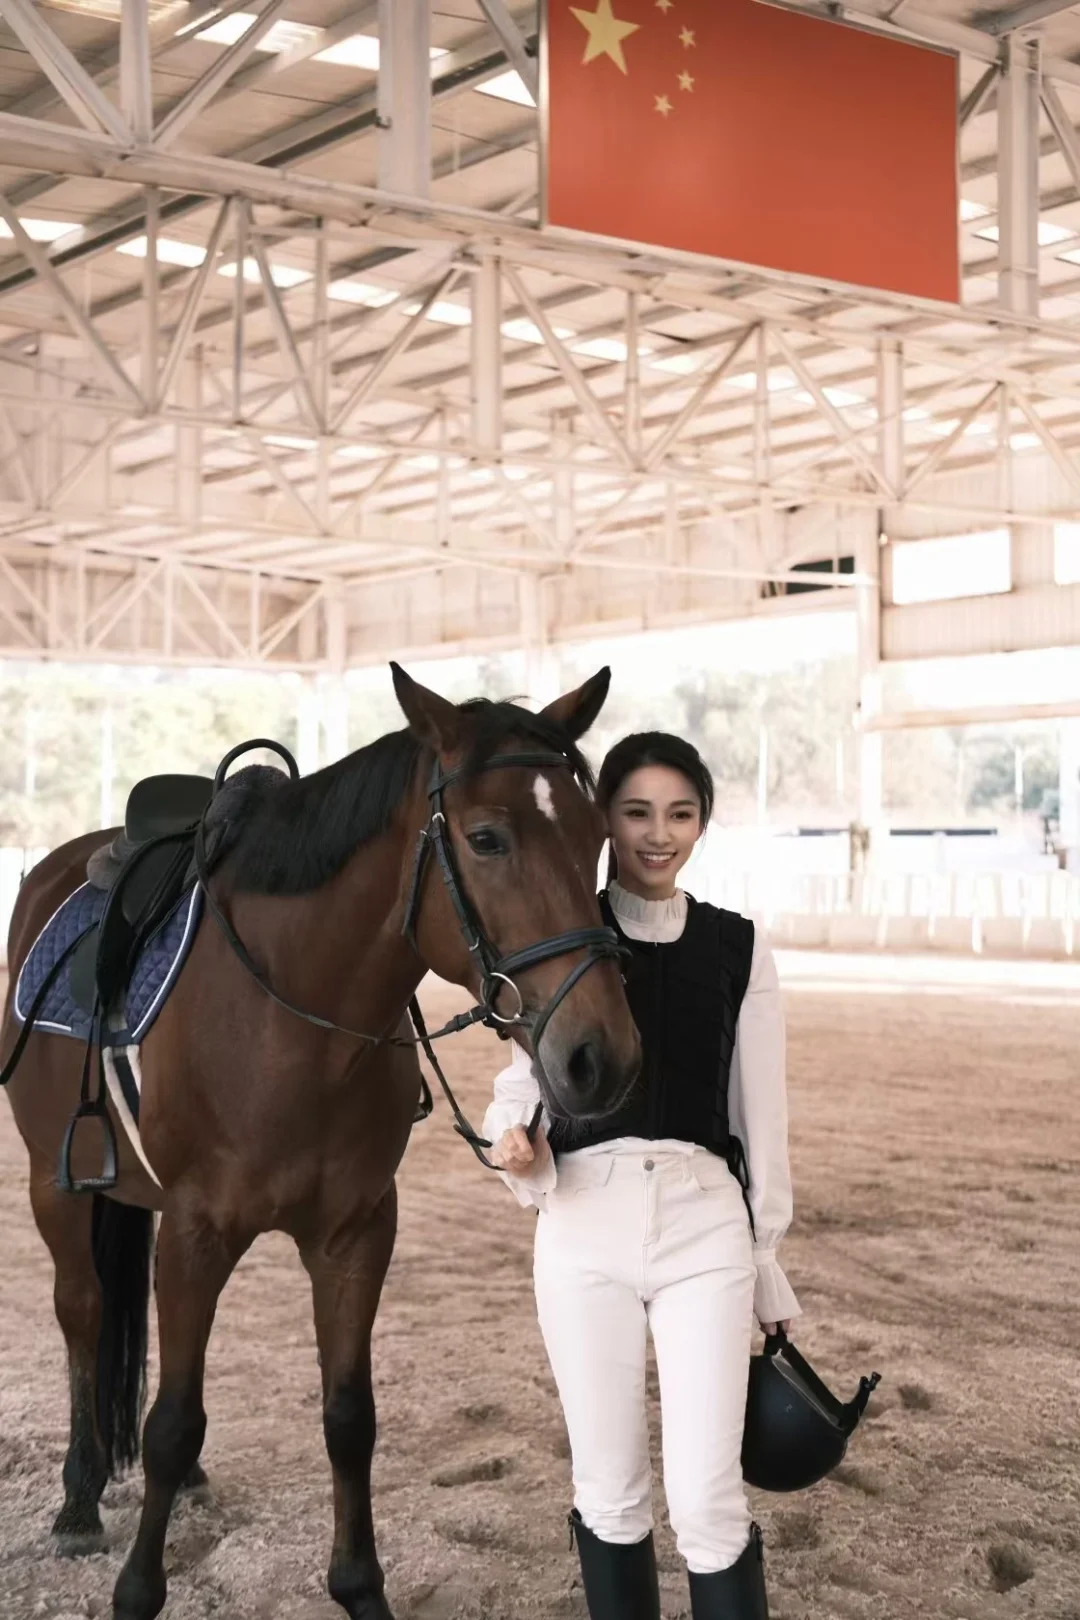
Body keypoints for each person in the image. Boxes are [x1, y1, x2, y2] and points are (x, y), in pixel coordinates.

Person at [482, 731, 800, 1620]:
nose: (659, 834)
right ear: (604, 822)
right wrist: (516, 1144)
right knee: (611, 1495)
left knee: (708, 1501)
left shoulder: (739, 948)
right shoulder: (562, 932)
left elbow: (759, 1117)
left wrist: (765, 1256)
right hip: (583, 1222)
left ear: (701, 822)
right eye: (636, 813)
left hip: (706, 1228)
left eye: (680, 813)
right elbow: (517, 1088)